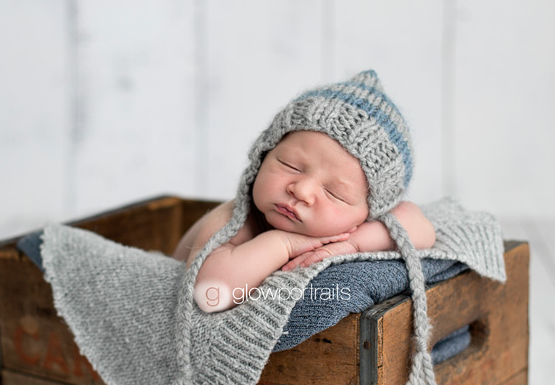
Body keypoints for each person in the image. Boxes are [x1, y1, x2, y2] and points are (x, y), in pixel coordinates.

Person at [173, 127, 436, 313]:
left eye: (335, 193)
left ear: (370, 213)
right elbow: (210, 292)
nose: (301, 190)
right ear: (263, 156)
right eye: (291, 165)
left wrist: (353, 244)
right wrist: (282, 244)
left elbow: (421, 228)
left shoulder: (356, 226)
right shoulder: (237, 217)